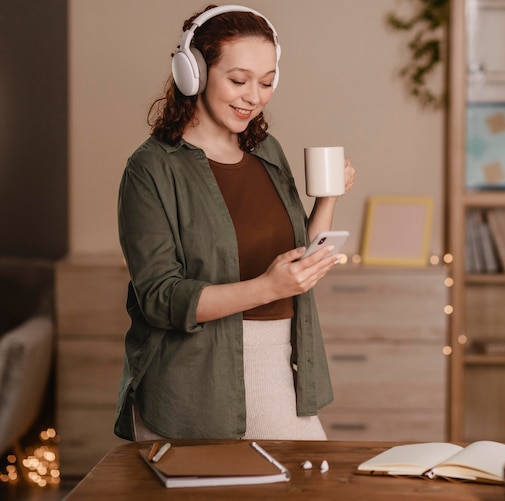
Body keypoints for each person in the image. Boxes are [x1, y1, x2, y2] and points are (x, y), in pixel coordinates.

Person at [114, 4, 356, 442]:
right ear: (195, 74)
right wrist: (268, 287)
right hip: (192, 384)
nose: (255, 96)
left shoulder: (267, 152)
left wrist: (329, 196)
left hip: (279, 365)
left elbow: (298, 266)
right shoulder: (150, 169)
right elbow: (159, 298)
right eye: (239, 80)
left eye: (266, 82)